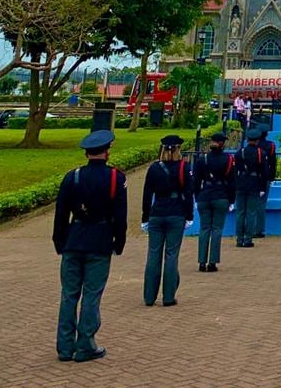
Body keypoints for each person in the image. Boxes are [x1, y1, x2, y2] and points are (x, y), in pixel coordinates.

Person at [52, 129, 127, 362]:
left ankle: (65, 347)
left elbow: (61, 213)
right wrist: (119, 241)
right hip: (100, 240)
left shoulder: (71, 177)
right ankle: (85, 345)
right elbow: (120, 215)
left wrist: (59, 240)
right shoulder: (116, 178)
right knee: (92, 295)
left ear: (86, 153)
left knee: (69, 295)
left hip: (74, 240)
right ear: (107, 152)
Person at [141, 134, 194, 307]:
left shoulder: (154, 168)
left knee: (153, 254)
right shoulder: (184, 167)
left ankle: (149, 296)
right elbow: (188, 193)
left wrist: (145, 216)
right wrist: (189, 215)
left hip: (157, 213)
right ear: (179, 149)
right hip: (176, 213)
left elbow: (147, 194)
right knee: (171, 255)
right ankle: (168, 296)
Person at [194, 131, 236, 271]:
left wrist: (197, 197)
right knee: (217, 229)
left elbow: (195, 181)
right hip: (221, 196)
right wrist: (231, 200)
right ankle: (212, 262)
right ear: (222, 143)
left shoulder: (202, 159)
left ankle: (201, 261)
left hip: (204, 196)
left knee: (204, 228)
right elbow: (231, 182)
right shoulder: (228, 159)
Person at [234, 126, 269, 247]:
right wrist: (263, 188)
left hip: (241, 183)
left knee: (240, 212)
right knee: (251, 212)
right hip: (254, 183)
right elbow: (264, 172)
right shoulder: (260, 153)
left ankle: (239, 238)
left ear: (248, 139)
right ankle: (248, 239)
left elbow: (236, 169)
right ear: (257, 140)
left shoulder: (240, 152)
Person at [254, 127, 278, 236]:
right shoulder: (270, 145)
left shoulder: (254, 146)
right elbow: (273, 163)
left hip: (252, 177)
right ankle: (259, 229)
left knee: (251, 204)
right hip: (265, 176)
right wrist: (272, 177)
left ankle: (250, 228)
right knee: (261, 204)